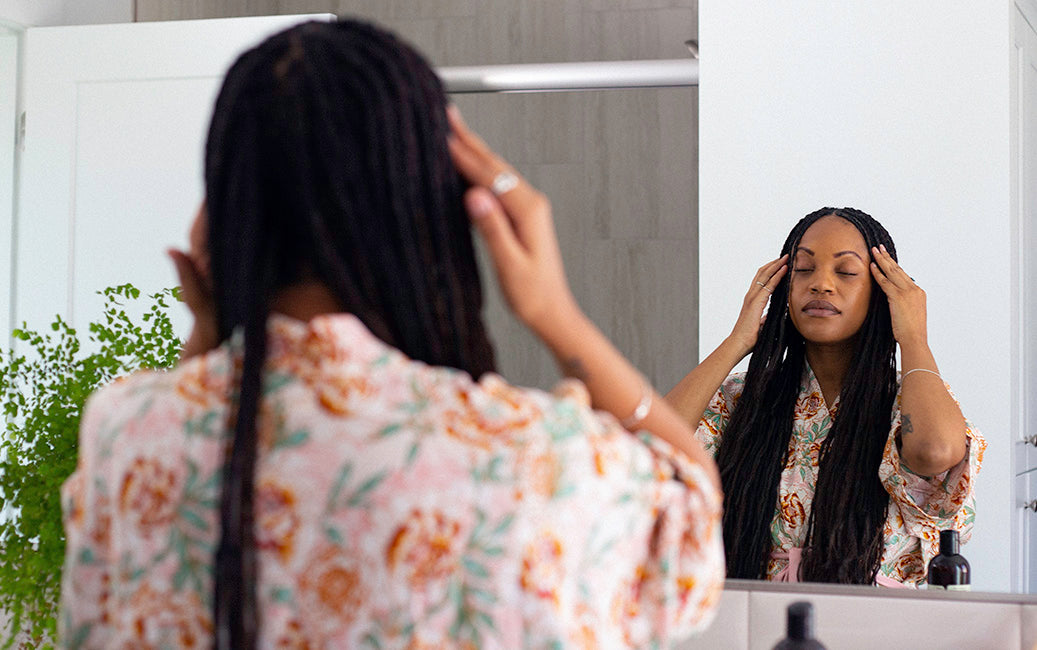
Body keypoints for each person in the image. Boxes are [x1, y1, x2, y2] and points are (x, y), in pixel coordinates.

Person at [58, 19, 724, 648]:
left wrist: (208, 333)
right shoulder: (533, 457)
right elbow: (691, 533)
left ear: (224, 208)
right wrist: (554, 313)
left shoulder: (126, 434)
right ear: (427, 207)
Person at [667, 207, 984, 587]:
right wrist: (737, 342)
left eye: (846, 272)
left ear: (883, 292)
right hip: (754, 620)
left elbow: (934, 452)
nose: (820, 284)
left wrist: (914, 337)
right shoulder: (743, 397)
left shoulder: (907, 400)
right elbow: (649, 447)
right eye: (803, 270)